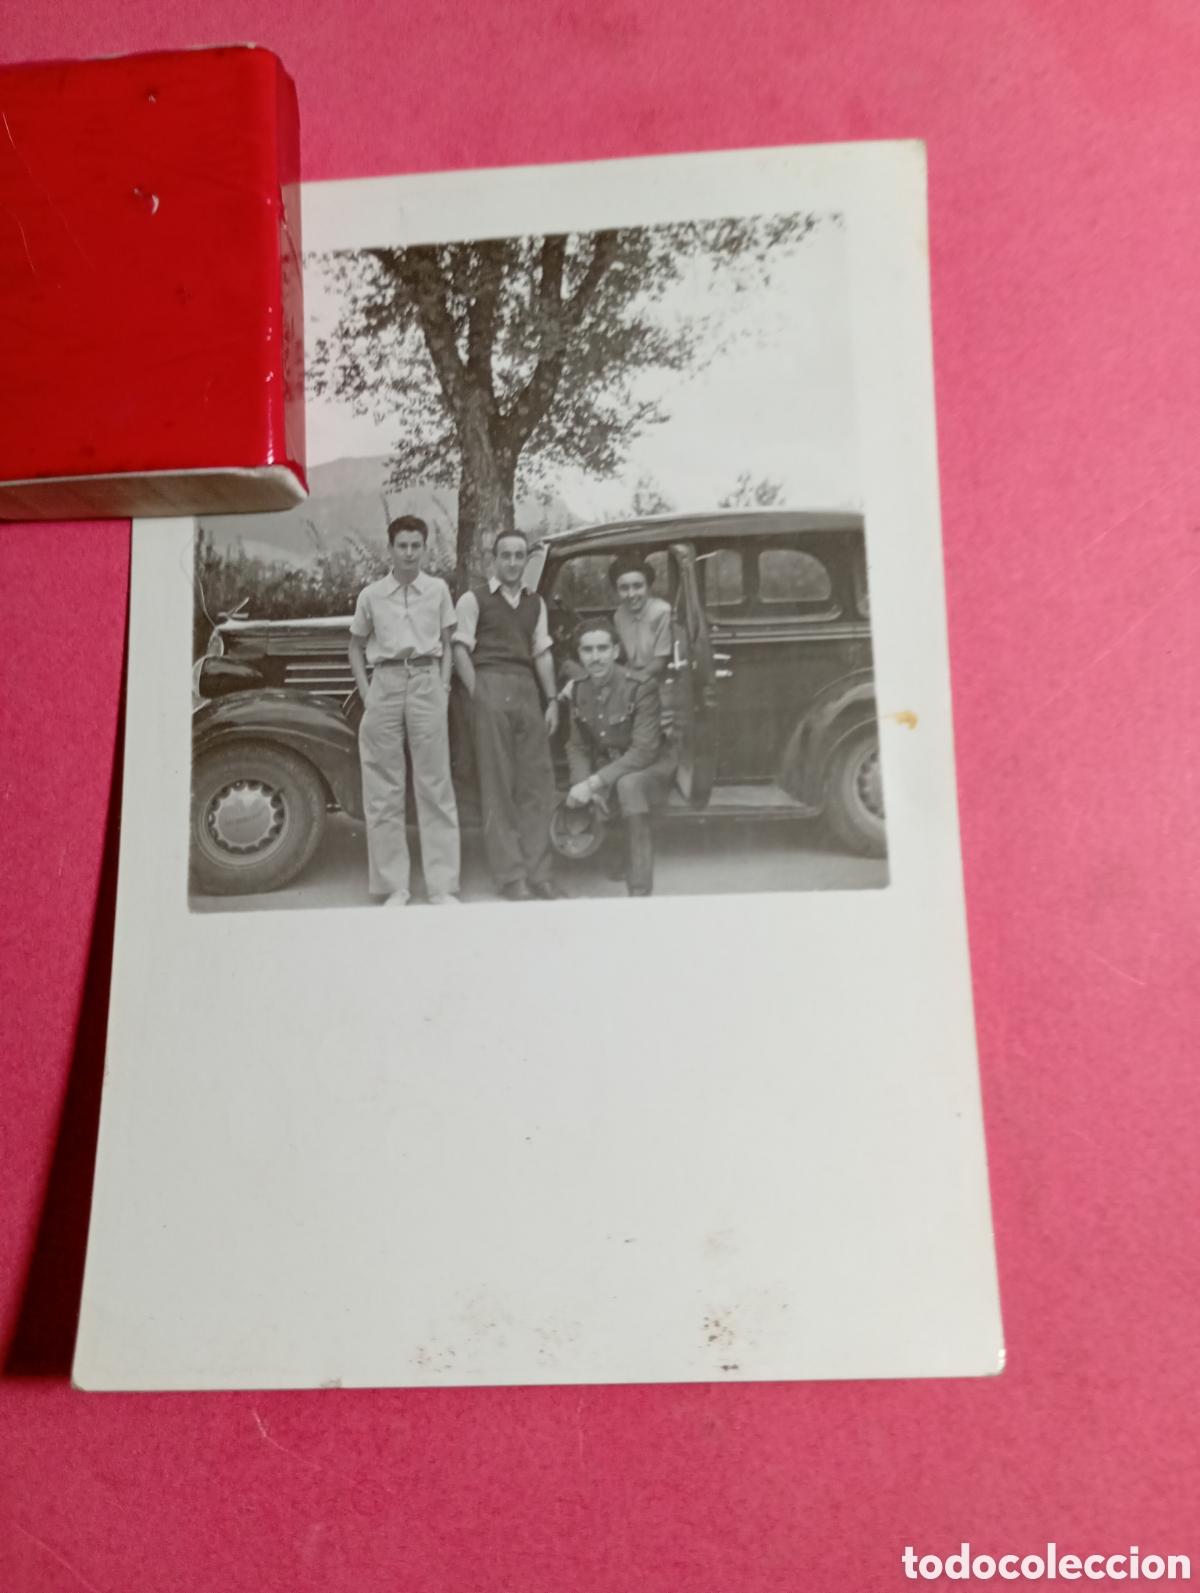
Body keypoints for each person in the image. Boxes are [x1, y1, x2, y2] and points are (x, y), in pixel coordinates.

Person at [348, 516, 460, 905]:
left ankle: (442, 886)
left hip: (428, 681)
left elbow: (447, 643)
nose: (409, 553)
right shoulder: (372, 595)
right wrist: (368, 693)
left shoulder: (438, 590)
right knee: (383, 788)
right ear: (391, 549)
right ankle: (393, 886)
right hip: (385, 683)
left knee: (435, 784)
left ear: (425, 549)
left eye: (416, 546)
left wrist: (443, 687)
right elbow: (355, 647)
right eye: (402, 546)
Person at [453, 529, 566, 901]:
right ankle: (512, 876)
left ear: (525, 560)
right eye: (506, 555)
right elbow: (460, 651)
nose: (513, 562)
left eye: (520, 555)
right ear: (494, 559)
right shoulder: (473, 600)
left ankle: (540, 874)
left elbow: (541, 653)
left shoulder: (535, 603)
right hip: (489, 687)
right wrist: (478, 696)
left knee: (536, 783)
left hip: (526, 690)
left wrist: (552, 700)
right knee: (497, 785)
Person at [565, 617, 676, 897]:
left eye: (602, 648)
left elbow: (644, 751)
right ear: (579, 655)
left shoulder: (640, 686)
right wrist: (584, 784)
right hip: (611, 767)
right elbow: (577, 745)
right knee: (611, 863)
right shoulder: (579, 689)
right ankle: (618, 856)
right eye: (587, 650)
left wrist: (594, 782)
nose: (596, 657)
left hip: (651, 767)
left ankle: (639, 889)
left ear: (615, 651)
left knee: (629, 785)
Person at [609, 553, 673, 681]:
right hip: (632, 673)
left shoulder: (662, 611)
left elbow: (659, 664)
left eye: (637, 586)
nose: (631, 594)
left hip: (659, 679)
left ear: (648, 587)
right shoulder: (619, 614)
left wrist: (629, 677)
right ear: (616, 590)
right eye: (624, 588)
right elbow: (623, 655)